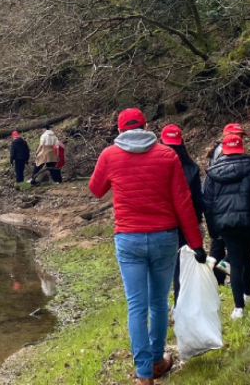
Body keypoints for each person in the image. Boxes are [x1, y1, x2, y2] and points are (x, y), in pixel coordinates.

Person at [88, 108, 205, 385]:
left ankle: (143, 375)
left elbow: (96, 189)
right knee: (159, 302)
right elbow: (183, 202)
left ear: (120, 130)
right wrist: (196, 243)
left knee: (137, 305)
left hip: (129, 239)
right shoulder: (167, 155)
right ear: (146, 126)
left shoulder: (109, 155)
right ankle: (156, 360)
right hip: (165, 237)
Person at [202, 130, 250, 320]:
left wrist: (214, 231)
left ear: (224, 150)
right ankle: (248, 292)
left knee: (235, 262)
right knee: (248, 257)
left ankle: (238, 309)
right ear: (241, 148)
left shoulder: (212, 174)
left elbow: (207, 204)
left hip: (226, 224)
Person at [160, 124, 208, 303]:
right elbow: (197, 200)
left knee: (161, 268)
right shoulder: (191, 167)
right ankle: (179, 303)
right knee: (181, 268)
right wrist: (198, 222)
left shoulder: (156, 165)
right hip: (185, 224)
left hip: (162, 223)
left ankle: (161, 305)